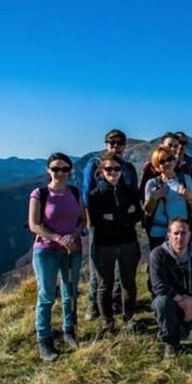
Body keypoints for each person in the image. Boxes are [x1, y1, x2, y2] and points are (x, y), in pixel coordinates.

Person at [27, 153, 85, 361]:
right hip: (46, 251)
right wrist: (58, 238)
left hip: (72, 250)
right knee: (47, 295)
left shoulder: (75, 193)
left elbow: (82, 221)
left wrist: (74, 235)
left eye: (64, 169)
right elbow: (34, 225)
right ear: (48, 170)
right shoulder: (40, 194)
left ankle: (69, 331)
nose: (60, 173)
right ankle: (45, 340)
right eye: (55, 169)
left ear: (70, 171)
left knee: (70, 293)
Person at [81, 129, 139, 322]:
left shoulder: (128, 168)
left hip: (125, 232)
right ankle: (94, 304)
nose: (116, 146)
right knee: (99, 271)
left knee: (124, 275)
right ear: (106, 144)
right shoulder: (94, 164)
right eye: (112, 143)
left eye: (120, 143)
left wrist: (118, 216)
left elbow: (133, 198)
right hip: (100, 230)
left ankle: (117, 303)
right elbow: (87, 194)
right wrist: (92, 222)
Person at [149, 218, 192, 359]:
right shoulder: (158, 255)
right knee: (161, 303)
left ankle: (183, 330)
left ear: (190, 234)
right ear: (169, 235)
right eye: (176, 233)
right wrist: (183, 302)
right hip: (170, 301)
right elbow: (159, 286)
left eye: (183, 233)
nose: (179, 237)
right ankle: (171, 342)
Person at [143, 146, 192, 250]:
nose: (167, 163)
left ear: (174, 161)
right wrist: (154, 198)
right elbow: (148, 210)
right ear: (157, 166)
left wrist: (189, 197)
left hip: (181, 232)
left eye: (170, 159)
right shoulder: (152, 183)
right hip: (158, 233)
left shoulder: (186, 180)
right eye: (162, 161)